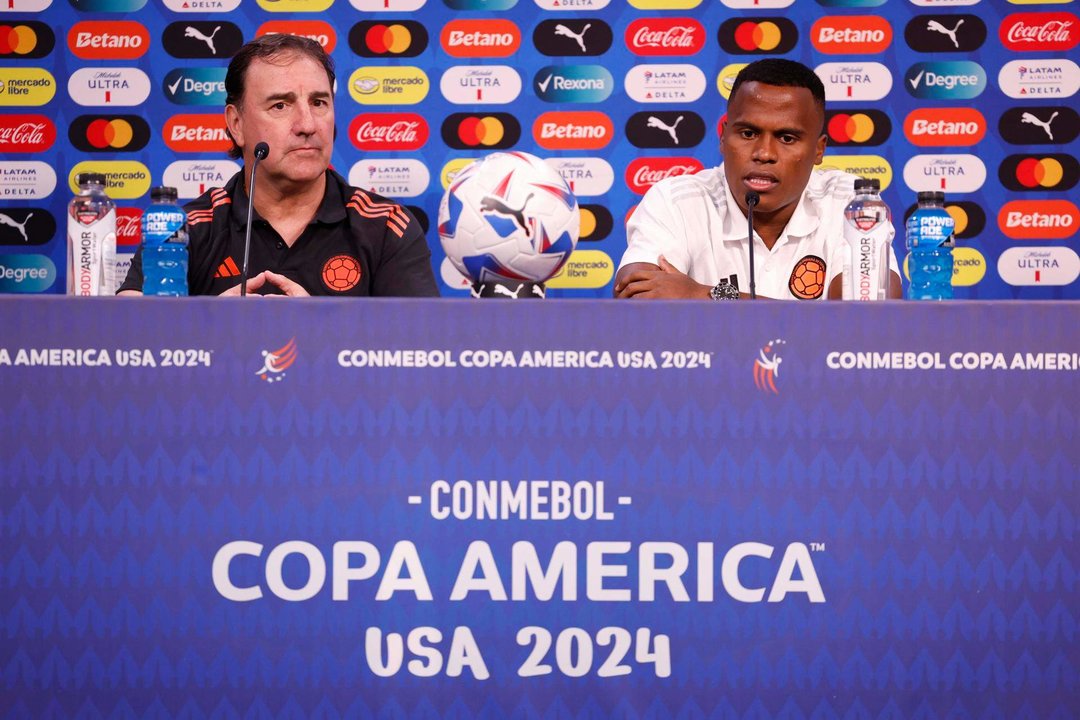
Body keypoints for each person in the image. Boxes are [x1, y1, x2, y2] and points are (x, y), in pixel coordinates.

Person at [119, 34, 438, 297]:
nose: (308, 124)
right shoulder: (184, 229)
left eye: (319, 102)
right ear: (236, 124)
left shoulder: (385, 226)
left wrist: (320, 330)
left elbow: (422, 355)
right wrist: (209, 324)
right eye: (281, 105)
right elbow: (126, 345)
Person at [614, 58, 901, 300]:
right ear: (724, 137)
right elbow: (635, 297)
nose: (764, 153)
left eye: (787, 138)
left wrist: (703, 295)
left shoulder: (852, 204)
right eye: (748, 134)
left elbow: (867, 322)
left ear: (818, 149)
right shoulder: (676, 200)